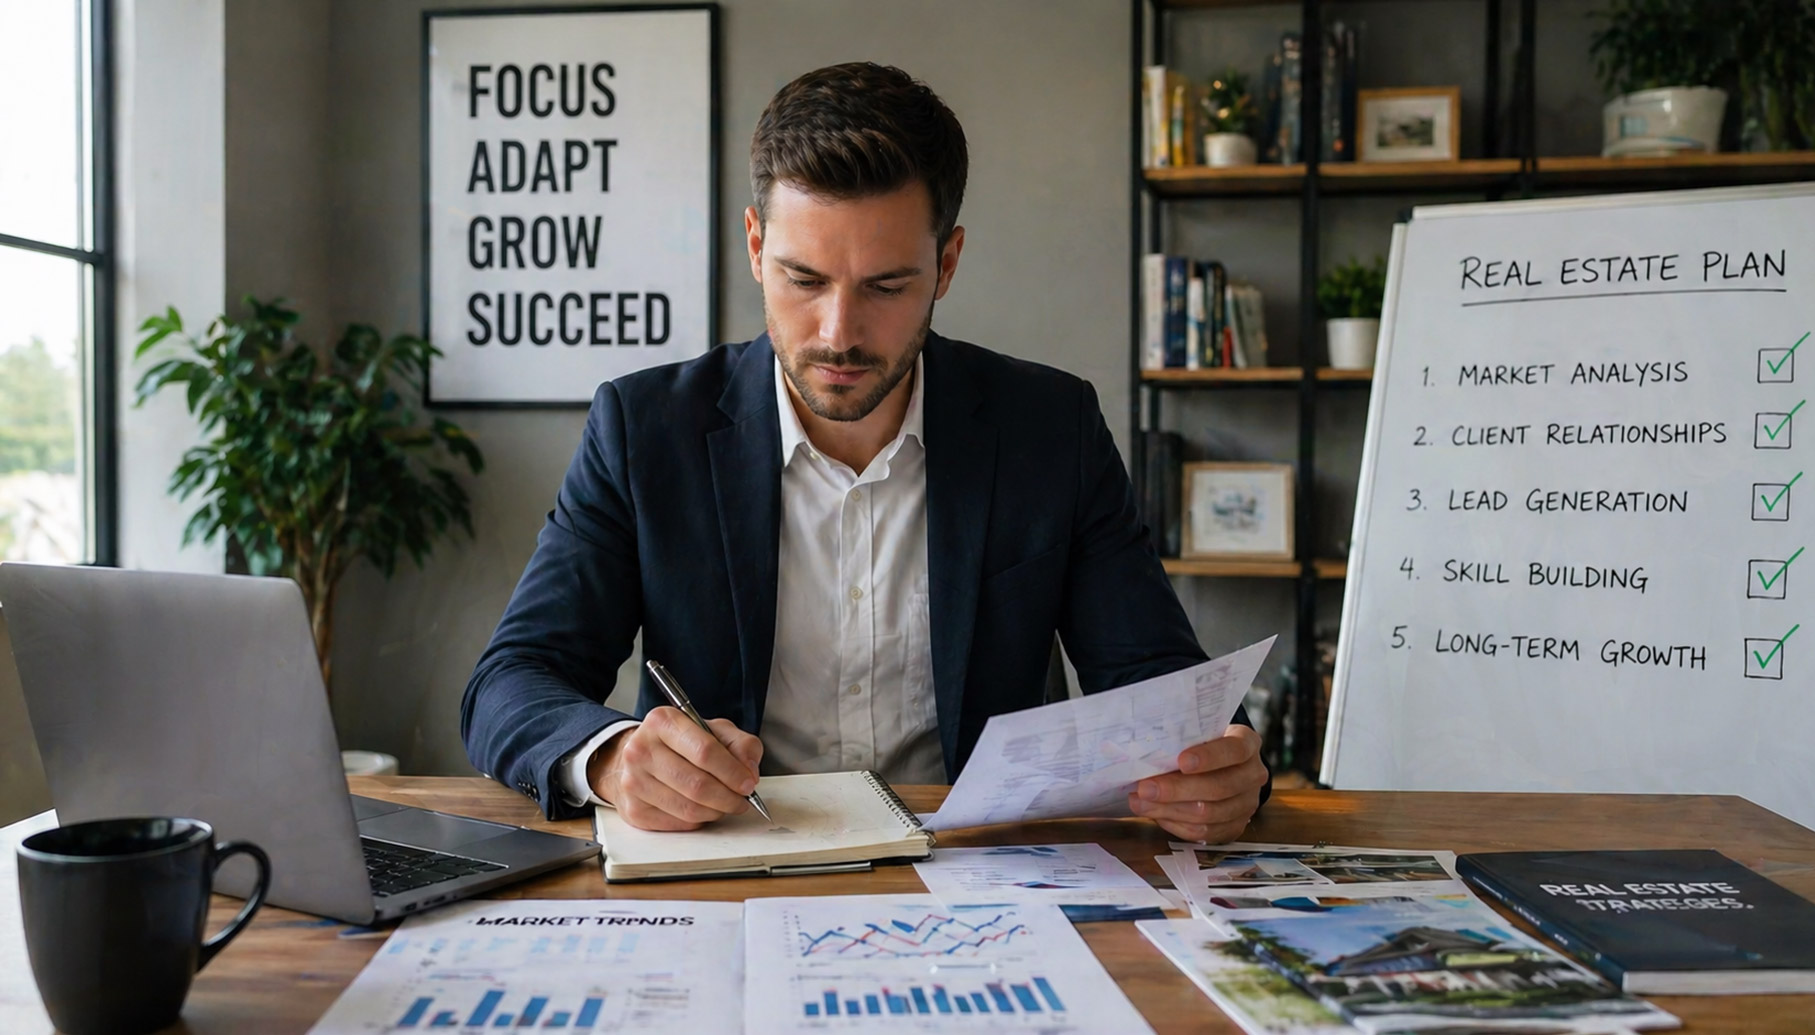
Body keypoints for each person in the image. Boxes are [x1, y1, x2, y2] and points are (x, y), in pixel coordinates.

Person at [461, 62, 1268, 844]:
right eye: (802, 279)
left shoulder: (1050, 427)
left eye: (885, 286)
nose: (837, 333)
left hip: (977, 877)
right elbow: (512, 681)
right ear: (754, 246)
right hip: (728, 865)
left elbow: (1159, 679)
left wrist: (1223, 766)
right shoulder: (643, 429)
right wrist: (609, 757)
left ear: (946, 264)